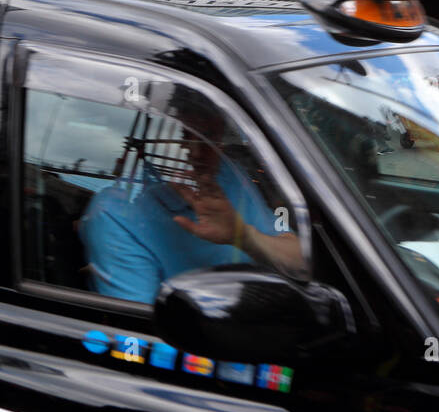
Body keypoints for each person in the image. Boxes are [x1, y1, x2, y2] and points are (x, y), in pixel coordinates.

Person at [80, 99, 302, 304]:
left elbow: (298, 261)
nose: (195, 152)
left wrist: (244, 235)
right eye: (184, 135)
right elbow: (142, 330)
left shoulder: (229, 176)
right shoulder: (116, 215)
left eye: (207, 136)